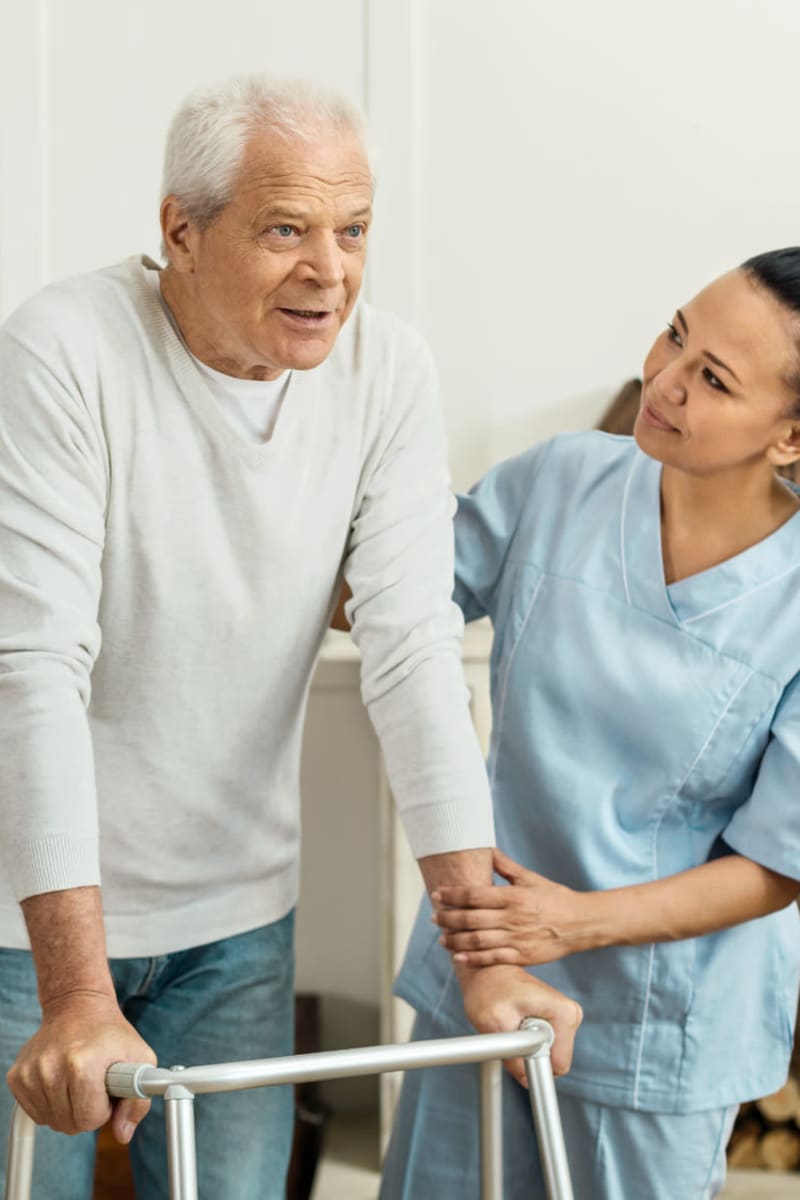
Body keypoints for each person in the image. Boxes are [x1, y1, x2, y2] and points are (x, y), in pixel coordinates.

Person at [0, 75, 581, 1199]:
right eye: (285, 230)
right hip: (31, 928)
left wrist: (487, 964)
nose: (331, 271)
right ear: (180, 229)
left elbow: (411, 648)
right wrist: (77, 994)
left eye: (353, 231)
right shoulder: (63, 349)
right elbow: (32, 667)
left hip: (241, 913)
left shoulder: (386, 369)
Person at [379, 248, 800, 1199]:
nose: (664, 379)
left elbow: (778, 864)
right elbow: (388, 596)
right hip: (481, 966)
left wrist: (571, 921)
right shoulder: (564, 479)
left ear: (790, 436)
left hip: (663, 1026)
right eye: (677, 335)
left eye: (714, 380)